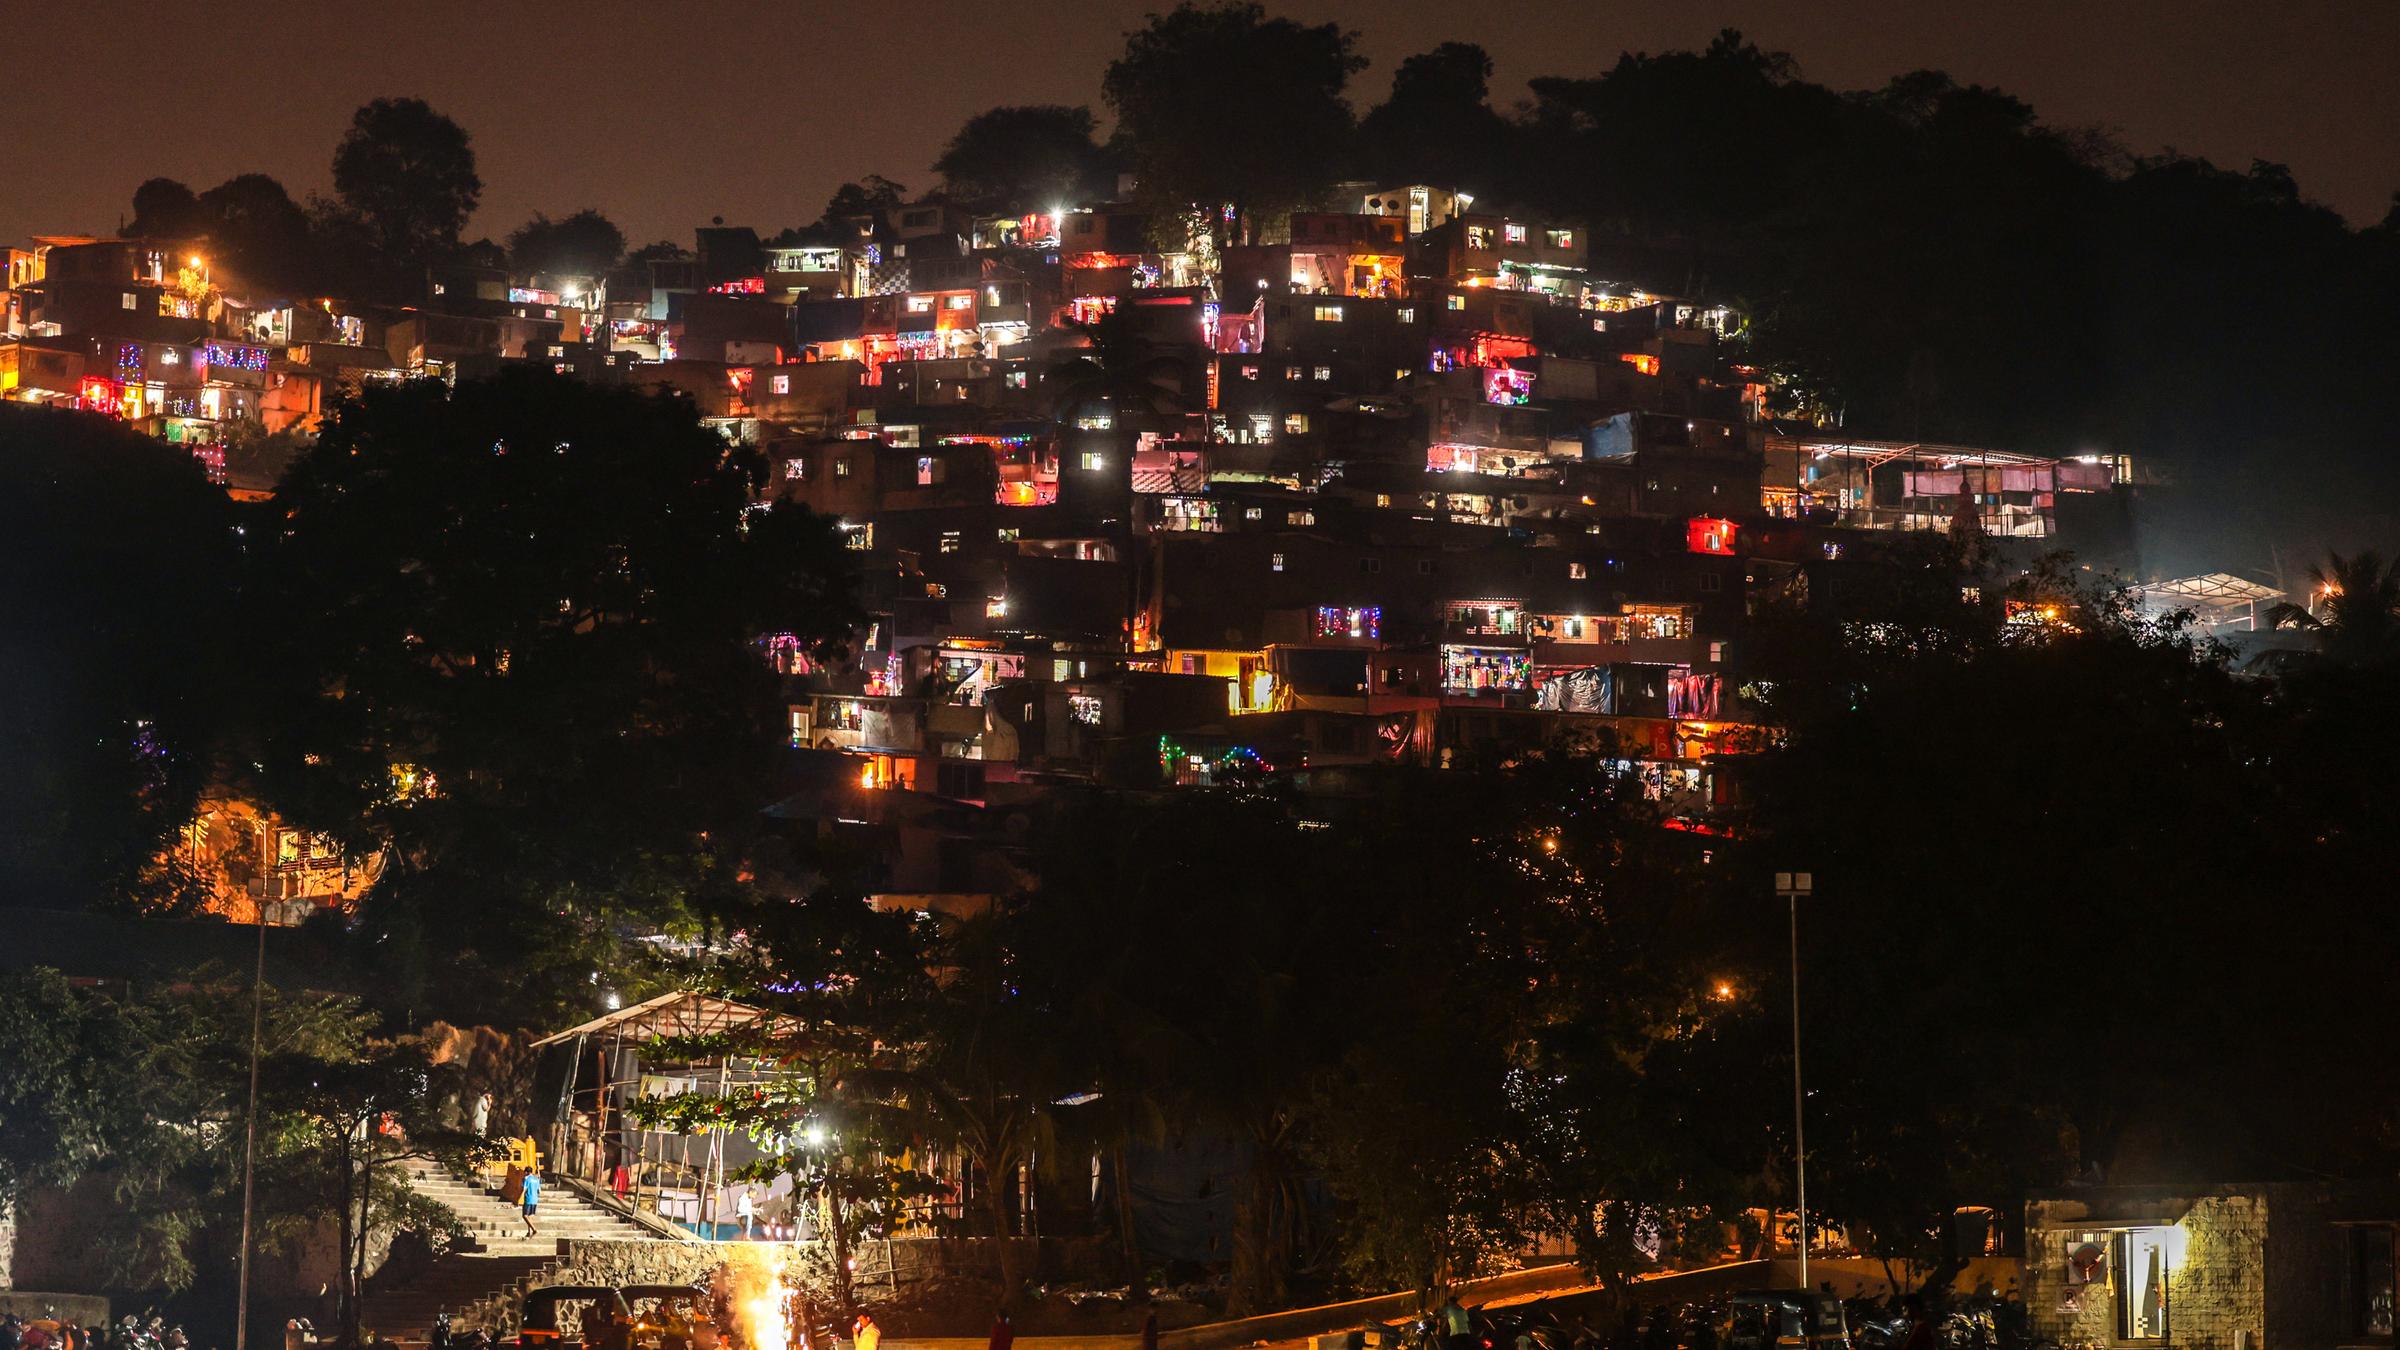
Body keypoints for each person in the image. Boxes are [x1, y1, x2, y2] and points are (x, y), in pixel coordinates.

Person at [520, 1168, 544, 1236]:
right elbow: (539, 1191)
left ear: (526, 1172)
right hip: (535, 1199)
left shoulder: (527, 1179)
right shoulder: (536, 1179)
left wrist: (519, 1199)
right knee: (530, 1216)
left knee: (524, 1215)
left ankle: (534, 1229)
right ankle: (529, 1232)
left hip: (528, 1199)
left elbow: (524, 1189)